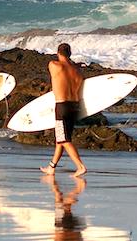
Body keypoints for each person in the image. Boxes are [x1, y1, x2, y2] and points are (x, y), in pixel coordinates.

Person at [40, 43, 87, 177]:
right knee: (61, 138)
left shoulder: (54, 65)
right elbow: (70, 66)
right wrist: (74, 64)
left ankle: (80, 166)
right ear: (70, 54)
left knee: (64, 139)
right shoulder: (77, 72)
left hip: (62, 106)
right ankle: (51, 166)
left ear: (58, 53)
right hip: (74, 106)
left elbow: (56, 65)